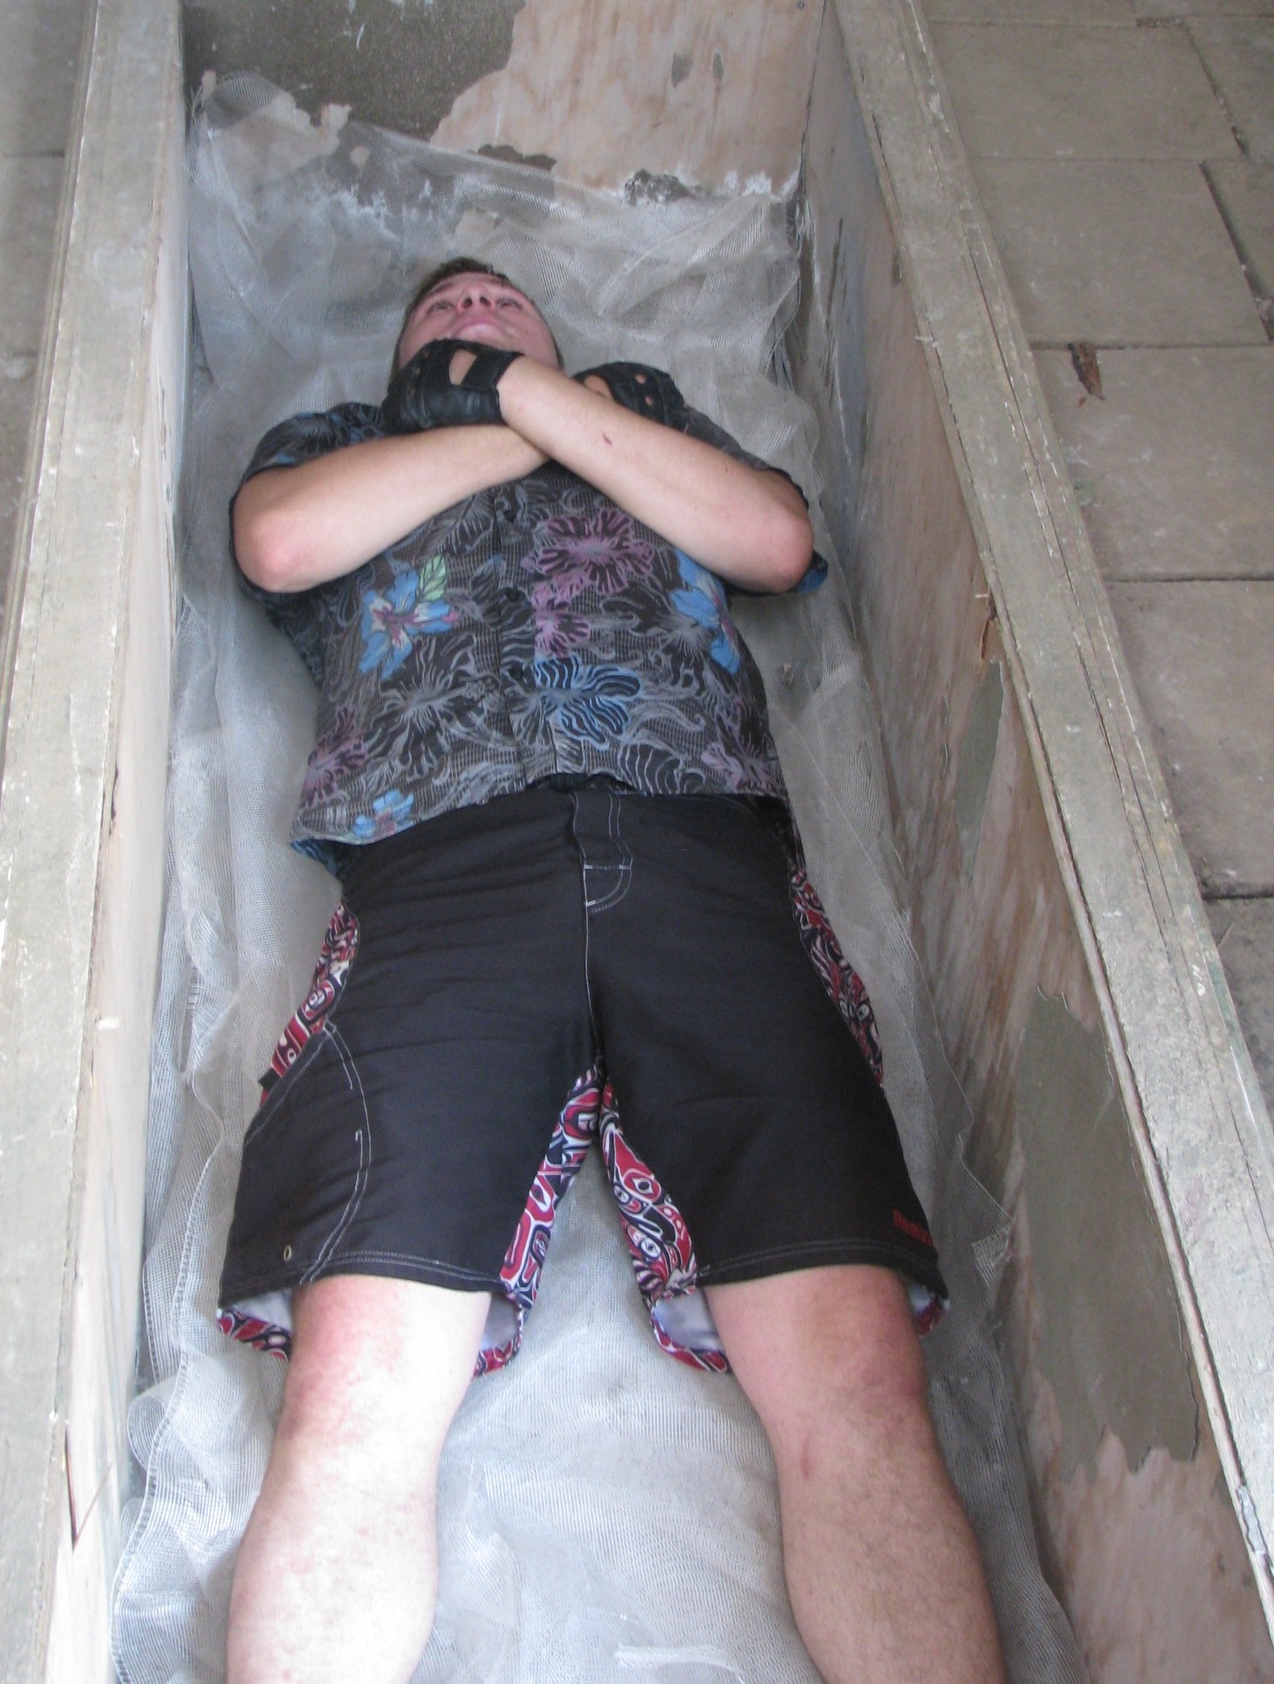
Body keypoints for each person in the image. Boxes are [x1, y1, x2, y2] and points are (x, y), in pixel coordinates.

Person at [216, 260, 1005, 1684]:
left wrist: (526, 397)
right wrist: (523, 417)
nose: (471, 305)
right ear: (399, 361)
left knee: (859, 1382)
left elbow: (772, 541)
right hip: (441, 864)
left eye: (500, 301)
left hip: (702, 848)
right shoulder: (350, 443)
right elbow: (278, 543)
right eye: (441, 312)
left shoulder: (645, 409)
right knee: (356, 1390)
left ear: (554, 340)